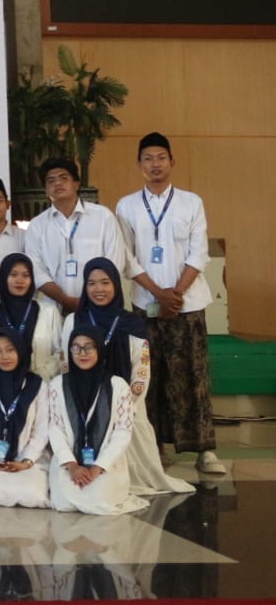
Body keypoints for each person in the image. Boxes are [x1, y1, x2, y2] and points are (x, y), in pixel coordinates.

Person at [113, 132, 222, 474]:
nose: (155, 164)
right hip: (145, 304)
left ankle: (204, 450)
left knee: (194, 375)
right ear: (139, 165)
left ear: (172, 162)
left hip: (188, 304)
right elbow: (127, 257)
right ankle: (154, 448)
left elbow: (198, 253)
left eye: (161, 157)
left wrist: (175, 294)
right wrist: (158, 294)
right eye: (148, 158)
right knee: (149, 377)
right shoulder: (127, 206)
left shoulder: (191, 202)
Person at [59, 257, 192, 497]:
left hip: (126, 406)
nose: (98, 289)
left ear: (116, 285)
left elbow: (141, 369)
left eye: (105, 282)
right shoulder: (74, 320)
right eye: (91, 283)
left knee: (130, 474)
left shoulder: (132, 323)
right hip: (83, 405)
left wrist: (124, 408)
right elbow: (66, 364)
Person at [48, 326, 147, 515]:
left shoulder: (117, 385)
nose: (82, 353)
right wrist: (72, 465)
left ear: (99, 349)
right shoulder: (57, 385)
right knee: (64, 501)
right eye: (76, 347)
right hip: (69, 463)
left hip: (106, 463)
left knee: (99, 499)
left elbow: (123, 432)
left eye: (89, 347)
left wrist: (98, 467)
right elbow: (55, 428)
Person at [24, 157, 128, 313]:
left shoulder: (103, 217)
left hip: (98, 306)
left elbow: (115, 263)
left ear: (76, 183)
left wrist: (91, 299)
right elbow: (36, 271)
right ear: (45, 189)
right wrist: (65, 300)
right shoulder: (36, 225)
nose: (57, 183)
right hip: (54, 309)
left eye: (63, 178)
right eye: (51, 181)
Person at [0, 330, 51, 508]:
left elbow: (41, 430)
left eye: (10, 350)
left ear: (20, 351)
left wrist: (26, 461)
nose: (4, 356)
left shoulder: (38, 385)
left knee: (33, 495)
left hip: (28, 458)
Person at [0, 253, 62, 380]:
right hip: (4, 386)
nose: (20, 280)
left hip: (43, 384)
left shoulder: (49, 312)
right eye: (13, 275)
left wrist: (41, 376)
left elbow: (61, 352)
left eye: (26, 275)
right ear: (3, 277)